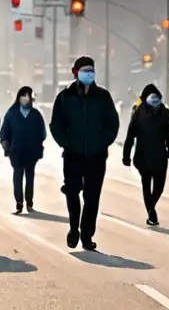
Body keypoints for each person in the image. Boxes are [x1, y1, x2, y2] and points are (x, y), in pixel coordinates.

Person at [49, 56, 119, 251]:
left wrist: (102, 142)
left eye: (91, 70)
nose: (89, 73)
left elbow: (112, 124)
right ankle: (73, 228)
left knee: (92, 196)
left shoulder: (103, 97)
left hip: (97, 156)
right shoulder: (65, 97)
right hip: (73, 155)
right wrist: (68, 144)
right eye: (85, 70)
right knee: (72, 191)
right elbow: (56, 125)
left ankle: (87, 235)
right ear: (76, 72)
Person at [123, 84, 169, 226]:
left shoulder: (164, 113)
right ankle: (151, 213)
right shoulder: (138, 111)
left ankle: (151, 206)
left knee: (159, 187)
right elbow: (130, 135)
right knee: (146, 185)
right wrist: (126, 156)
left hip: (160, 156)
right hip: (142, 155)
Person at [0, 85, 47, 214]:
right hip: (16, 151)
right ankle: (19, 203)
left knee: (30, 176)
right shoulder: (11, 114)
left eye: (28, 96)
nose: (26, 98)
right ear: (19, 97)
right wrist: (6, 145)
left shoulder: (36, 115)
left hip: (32, 152)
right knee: (18, 176)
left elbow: (42, 133)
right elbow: (4, 132)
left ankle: (29, 202)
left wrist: (38, 145)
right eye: (23, 95)